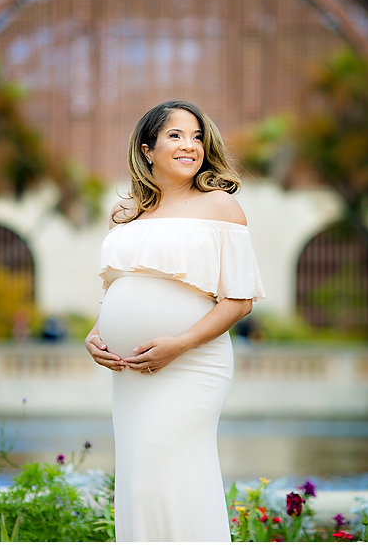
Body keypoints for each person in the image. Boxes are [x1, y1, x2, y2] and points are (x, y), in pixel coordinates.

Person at [84, 101, 265, 541]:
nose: (191, 146)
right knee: (139, 484)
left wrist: (180, 344)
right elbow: (117, 289)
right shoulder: (129, 214)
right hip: (132, 373)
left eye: (197, 136)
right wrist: (96, 333)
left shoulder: (220, 206)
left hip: (191, 366)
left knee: (169, 475)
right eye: (176, 135)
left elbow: (239, 301)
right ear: (147, 149)